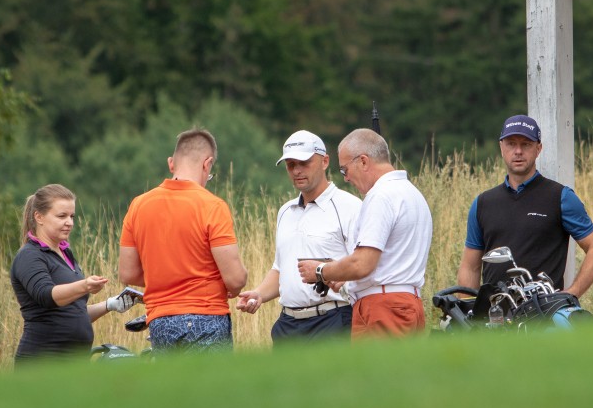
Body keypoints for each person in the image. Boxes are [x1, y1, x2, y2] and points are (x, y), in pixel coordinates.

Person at [118, 127, 248, 353]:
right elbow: (235, 279)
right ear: (207, 164)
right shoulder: (212, 206)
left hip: (160, 321)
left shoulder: (138, 205)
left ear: (171, 163)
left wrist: (167, 276)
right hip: (207, 318)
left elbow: (127, 273)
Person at [298, 128, 432, 339]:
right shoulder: (412, 194)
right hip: (406, 303)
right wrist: (345, 279)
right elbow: (387, 263)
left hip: (383, 309)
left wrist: (321, 270)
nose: (346, 178)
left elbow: (363, 264)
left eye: (344, 170)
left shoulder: (380, 196)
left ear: (363, 161)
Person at [457, 114, 593, 299]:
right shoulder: (482, 203)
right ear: (501, 147)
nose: (518, 151)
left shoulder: (561, 197)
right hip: (495, 313)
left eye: (526, 144)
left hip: (544, 312)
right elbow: (470, 268)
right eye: (511, 144)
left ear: (538, 149)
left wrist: (571, 294)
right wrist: (468, 312)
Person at [235, 130, 361, 343]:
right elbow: (281, 268)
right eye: (291, 164)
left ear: (325, 161)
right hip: (288, 324)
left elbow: (362, 265)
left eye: (304, 163)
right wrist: (259, 294)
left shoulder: (350, 207)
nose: (297, 171)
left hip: (333, 320)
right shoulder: (285, 211)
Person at [10, 184, 142, 363]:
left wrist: (110, 304)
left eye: (72, 216)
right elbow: (46, 295)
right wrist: (85, 285)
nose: (69, 222)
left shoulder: (65, 254)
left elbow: (73, 313)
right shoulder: (29, 255)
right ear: (39, 217)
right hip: (42, 359)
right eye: (61, 216)